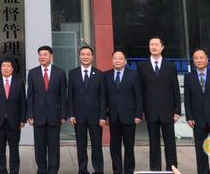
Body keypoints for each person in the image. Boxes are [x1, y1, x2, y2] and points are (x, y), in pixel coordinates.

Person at [137, 37, 181, 171]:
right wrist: (140, 111)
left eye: (156, 44)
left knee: (170, 143)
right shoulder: (142, 66)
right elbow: (140, 91)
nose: (154, 47)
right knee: (154, 144)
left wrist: (177, 110)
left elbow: (175, 89)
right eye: (151, 44)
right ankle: (155, 170)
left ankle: (171, 169)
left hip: (168, 111)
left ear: (162, 47)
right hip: (150, 110)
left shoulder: (170, 66)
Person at [100, 49, 142, 174]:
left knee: (129, 146)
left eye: (120, 58)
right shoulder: (106, 75)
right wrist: (103, 115)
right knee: (114, 146)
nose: (117, 61)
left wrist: (138, 114)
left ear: (125, 61)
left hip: (129, 116)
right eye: (115, 58)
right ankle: (117, 170)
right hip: (113, 117)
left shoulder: (134, 74)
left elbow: (138, 96)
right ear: (112, 60)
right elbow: (103, 97)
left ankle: (129, 170)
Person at [26, 45, 67, 174]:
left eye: (45, 54)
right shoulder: (32, 73)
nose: (42, 57)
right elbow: (30, 96)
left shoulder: (60, 72)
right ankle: (41, 169)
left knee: (54, 146)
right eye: (40, 55)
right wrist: (29, 114)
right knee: (39, 146)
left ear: (51, 56)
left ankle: (53, 170)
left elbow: (63, 96)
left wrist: (63, 115)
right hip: (38, 116)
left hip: (55, 116)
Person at [68, 45, 104, 174]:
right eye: (83, 54)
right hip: (79, 116)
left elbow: (102, 97)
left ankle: (98, 170)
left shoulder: (99, 74)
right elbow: (70, 95)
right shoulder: (73, 73)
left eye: (88, 54)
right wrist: (71, 114)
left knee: (97, 145)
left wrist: (102, 116)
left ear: (92, 57)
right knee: (81, 145)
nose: (85, 57)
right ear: (79, 57)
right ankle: (82, 169)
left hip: (96, 117)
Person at [0, 59, 26, 174]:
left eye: (8, 66)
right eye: (3, 66)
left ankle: (14, 171)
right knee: (0, 149)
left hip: (14, 121)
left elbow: (23, 102)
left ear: (12, 69)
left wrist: (23, 119)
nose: (5, 68)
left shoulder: (19, 82)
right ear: (0, 68)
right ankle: (1, 170)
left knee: (14, 149)